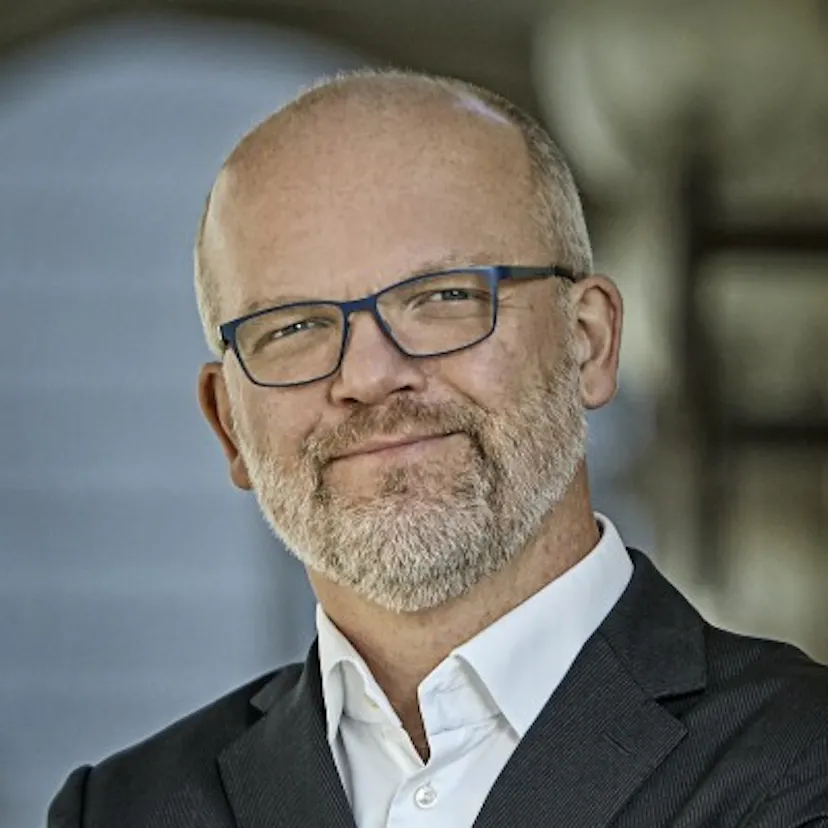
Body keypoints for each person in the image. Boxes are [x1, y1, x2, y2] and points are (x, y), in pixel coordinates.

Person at [48, 69, 828, 828]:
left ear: (588, 343)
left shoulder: (801, 764)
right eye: (293, 327)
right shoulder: (122, 811)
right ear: (229, 426)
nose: (368, 376)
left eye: (443, 297)